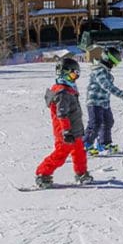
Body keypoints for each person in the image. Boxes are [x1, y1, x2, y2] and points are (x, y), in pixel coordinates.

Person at [35, 57, 93, 189]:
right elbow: (62, 114)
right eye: (73, 74)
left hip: (75, 131)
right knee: (60, 155)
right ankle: (42, 173)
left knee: (79, 153)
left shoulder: (68, 89)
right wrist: (66, 131)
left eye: (76, 75)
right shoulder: (62, 92)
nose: (74, 78)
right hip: (65, 132)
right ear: (64, 73)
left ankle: (81, 173)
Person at [84, 46, 123, 155]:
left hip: (104, 103)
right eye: (115, 62)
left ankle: (104, 144)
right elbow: (107, 86)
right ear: (108, 59)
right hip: (95, 102)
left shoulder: (106, 71)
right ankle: (85, 144)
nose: (115, 65)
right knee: (95, 123)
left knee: (108, 122)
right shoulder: (99, 70)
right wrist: (122, 95)